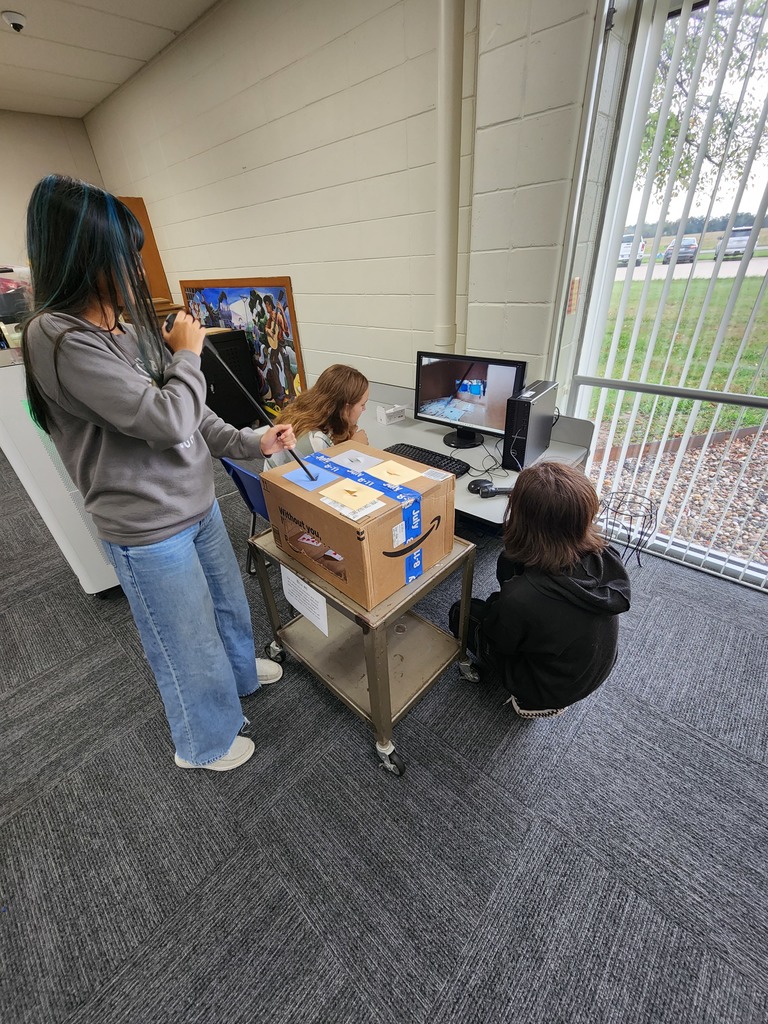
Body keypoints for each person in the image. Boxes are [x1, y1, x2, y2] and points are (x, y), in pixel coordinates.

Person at [21, 174, 297, 772]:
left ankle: (242, 680)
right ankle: (204, 744)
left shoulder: (128, 326)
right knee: (185, 641)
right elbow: (169, 419)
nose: (132, 268)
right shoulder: (58, 338)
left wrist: (256, 439)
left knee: (228, 605)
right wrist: (189, 354)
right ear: (81, 255)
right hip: (147, 528)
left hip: (196, 503)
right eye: (120, 255)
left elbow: (195, 418)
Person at [463, 461, 631, 718]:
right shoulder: (606, 555)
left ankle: (528, 701)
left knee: (462, 613)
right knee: (508, 565)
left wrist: (501, 607)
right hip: (592, 667)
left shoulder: (521, 596)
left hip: (546, 689)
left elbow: (500, 641)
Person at [264, 363, 369, 468]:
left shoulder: (303, 413)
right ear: (346, 408)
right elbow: (335, 478)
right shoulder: (316, 439)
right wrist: (355, 448)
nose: (364, 409)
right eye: (362, 404)